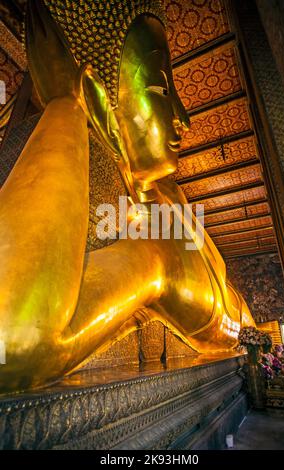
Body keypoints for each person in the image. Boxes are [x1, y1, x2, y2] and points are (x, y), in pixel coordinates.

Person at [0, 0, 255, 394]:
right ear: (101, 101)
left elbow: (243, 320)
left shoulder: (170, 199)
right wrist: (66, 106)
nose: (183, 118)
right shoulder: (148, 249)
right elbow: (13, 336)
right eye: (159, 88)